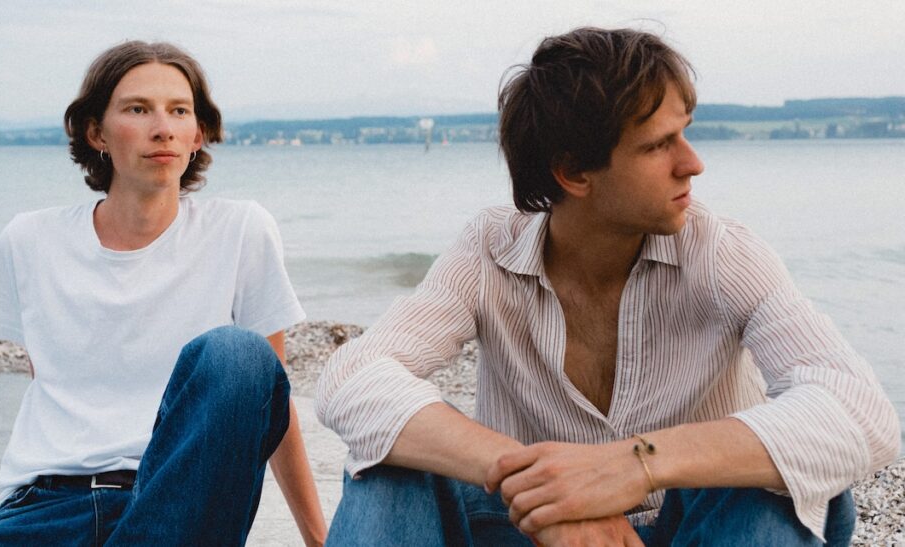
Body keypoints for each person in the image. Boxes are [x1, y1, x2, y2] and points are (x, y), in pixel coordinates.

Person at [316, 27, 900, 546]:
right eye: (657, 146)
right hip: (533, 533)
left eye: (684, 134)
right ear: (574, 172)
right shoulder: (489, 250)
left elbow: (860, 412)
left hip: (702, 531)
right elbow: (352, 378)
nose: (692, 163)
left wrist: (636, 464)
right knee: (388, 460)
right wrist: (553, 486)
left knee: (770, 483)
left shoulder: (723, 254)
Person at [0, 41, 327, 546]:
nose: (163, 127)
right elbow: (52, 384)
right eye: (137, 109)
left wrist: (318, 539)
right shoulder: (29, 240)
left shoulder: (241, 230)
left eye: (179, 111)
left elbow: (269, 404)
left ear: (198, 134)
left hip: (176, 506)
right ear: (96, 132)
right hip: (44, 510)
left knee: (240, 354)